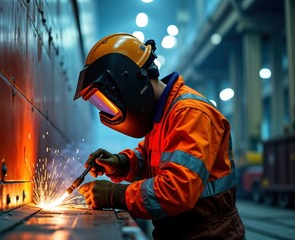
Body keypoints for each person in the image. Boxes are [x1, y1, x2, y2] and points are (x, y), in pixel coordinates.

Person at [73, 33, 245, 239]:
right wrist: (121, 163)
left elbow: (178, 189)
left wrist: (114, 195)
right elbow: (151, 159)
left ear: (128, 82)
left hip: (209, 234)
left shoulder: (191, 113)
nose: (110, 111)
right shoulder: (162, 115)